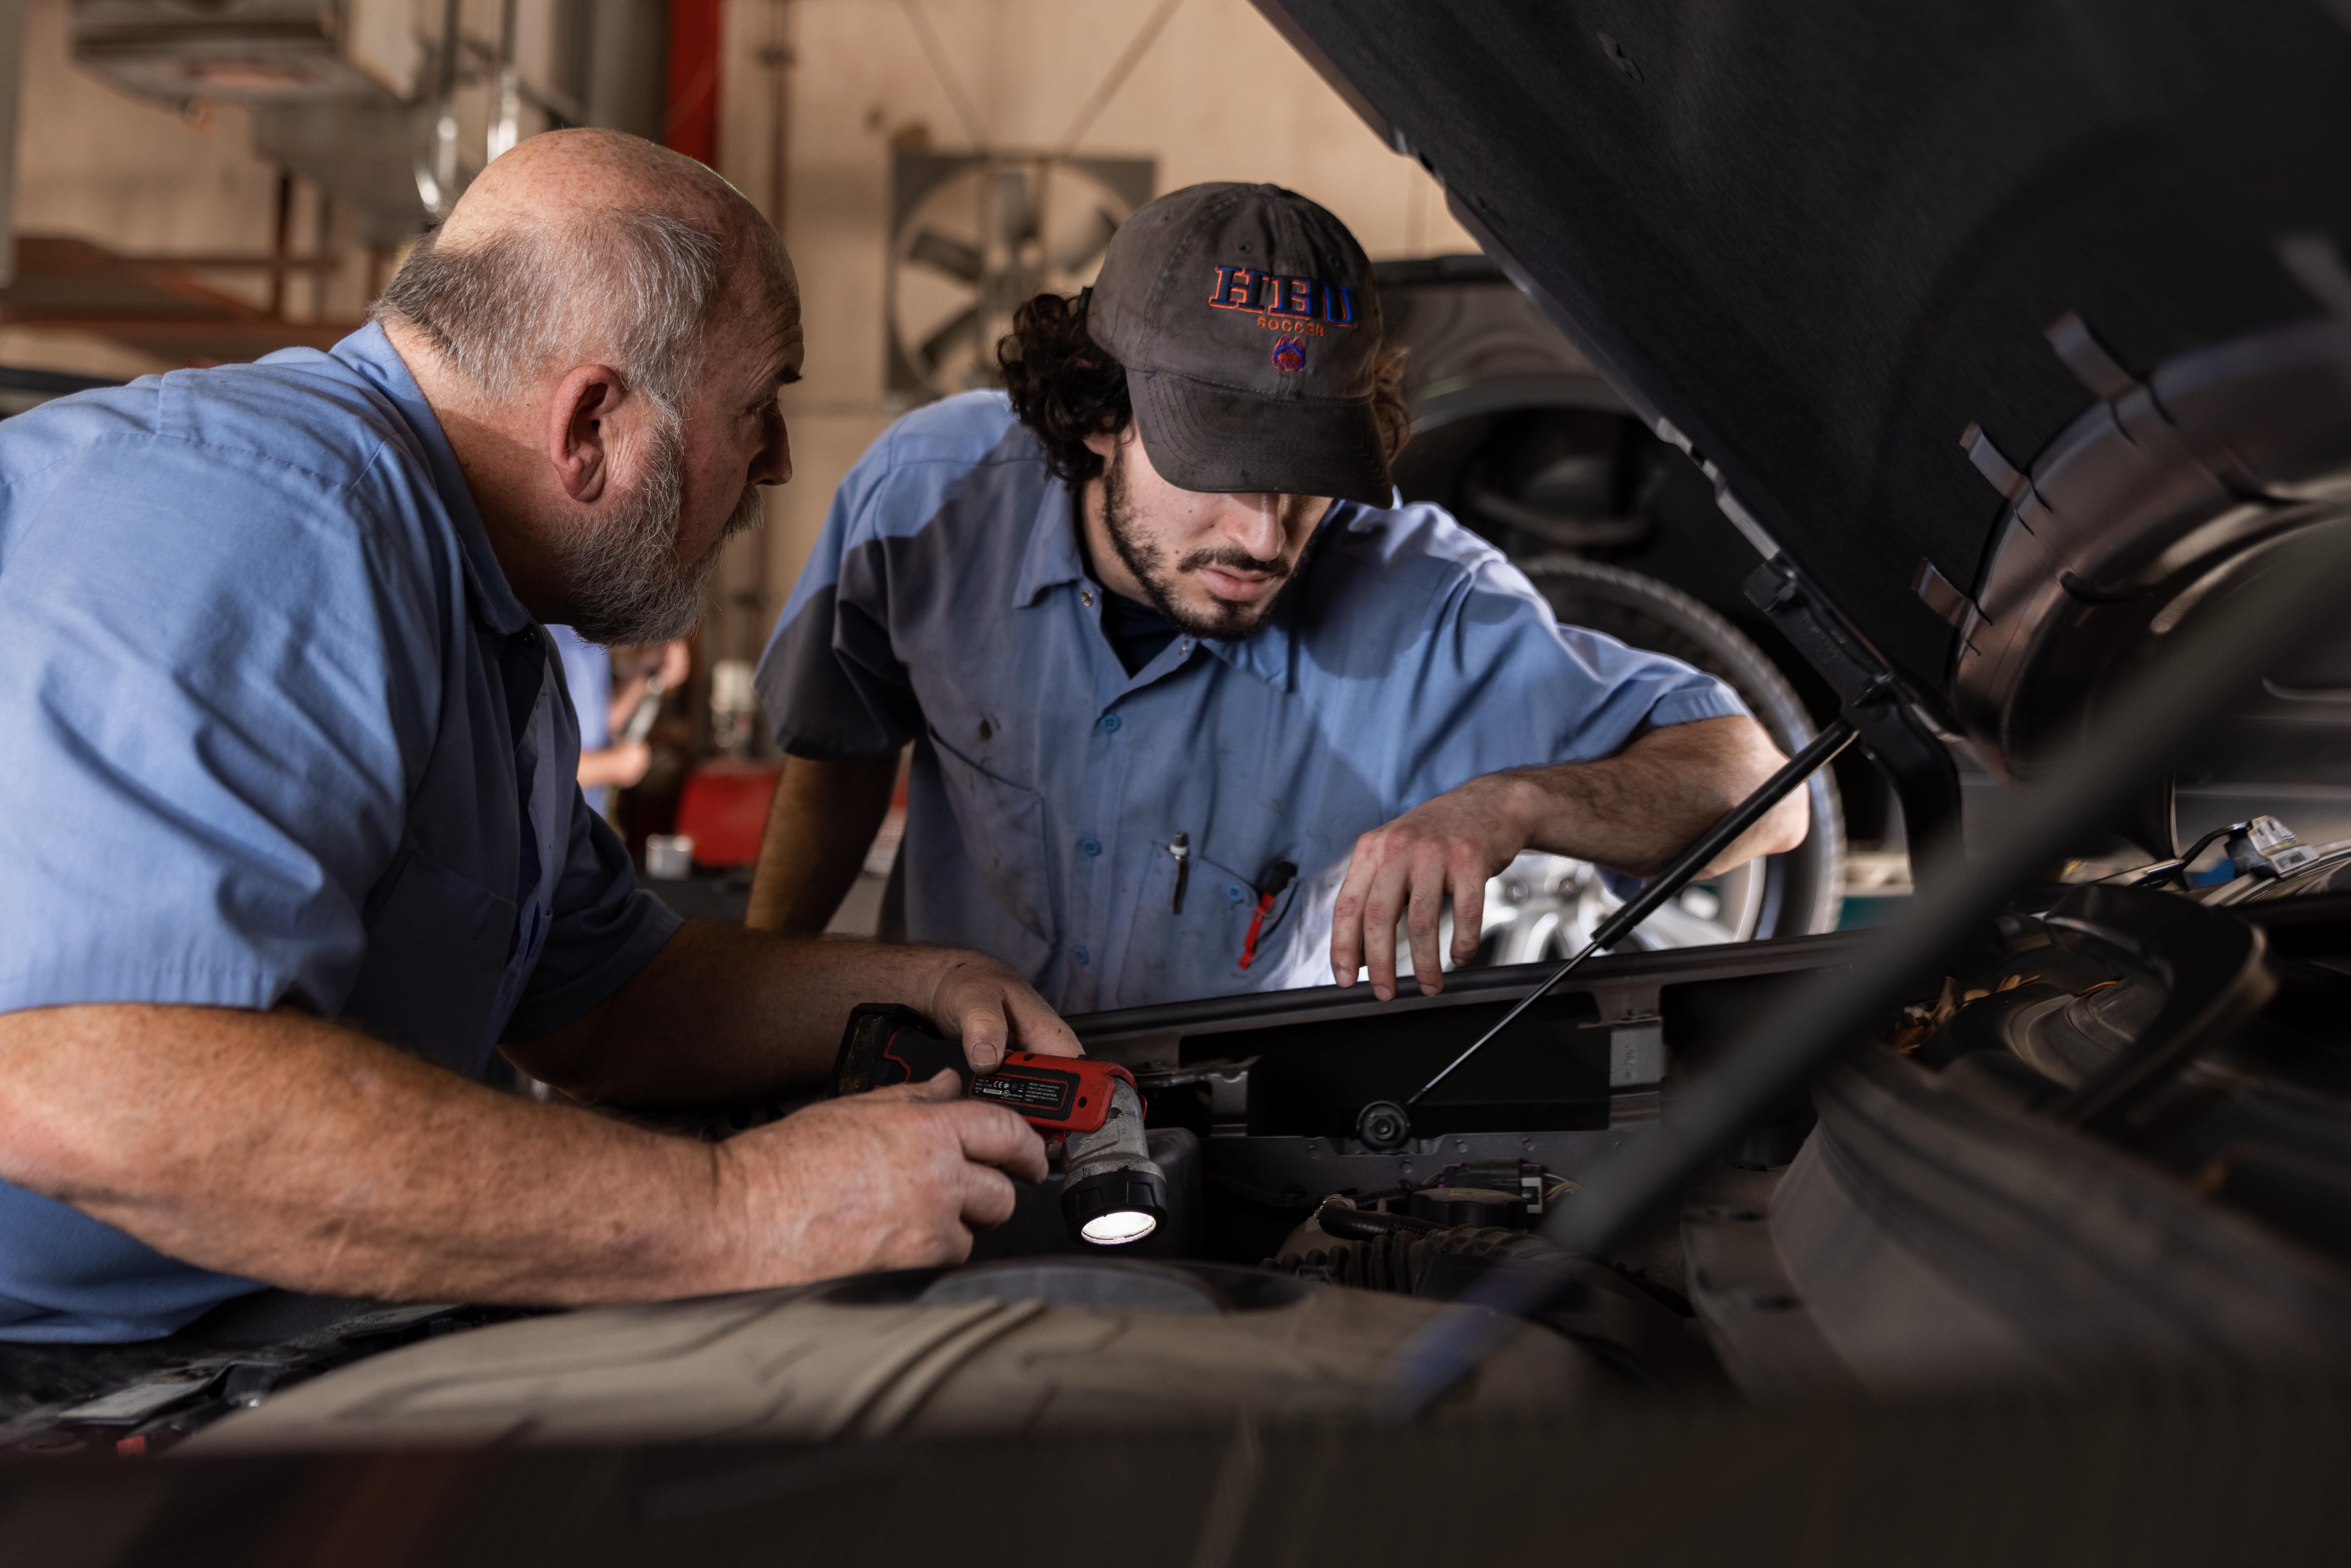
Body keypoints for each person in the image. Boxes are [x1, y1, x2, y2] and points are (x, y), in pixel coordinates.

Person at [0, 129, 1076, 1346]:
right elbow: (99, 1091)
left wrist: (923, 984)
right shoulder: (270, 521)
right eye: (758, 403)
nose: (777, 462)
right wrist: (745, 1207)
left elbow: (610, 1008)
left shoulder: (485, 625)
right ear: (593, 427)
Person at [748, 183, 1809, 1013]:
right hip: (948, 1102)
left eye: (1306, 473)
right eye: (1220, 470)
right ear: (1095, 410)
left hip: (1231, 1156)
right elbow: (838, 752)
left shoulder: (1425, 609)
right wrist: (752, 1020)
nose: (1264, 536)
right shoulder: (923, 501)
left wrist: (1515, 803)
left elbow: (1765, 790)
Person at [548, 627, 689, 814]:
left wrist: (645, 669)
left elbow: (599, 723)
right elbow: (535, 764)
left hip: (583, 820)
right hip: (550, 826)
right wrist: (615, 765)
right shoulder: (545, 630)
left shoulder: (588, 632)